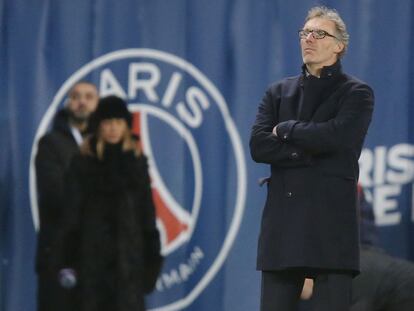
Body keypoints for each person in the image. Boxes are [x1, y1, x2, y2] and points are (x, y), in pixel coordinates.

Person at [249, 6, 374, 311]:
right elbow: (259, 147)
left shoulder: (357, 93)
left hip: (330, 226)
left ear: (339, 45)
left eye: (320, 33)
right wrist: (310, 150)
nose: (309, 39)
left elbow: (337, 137)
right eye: (305, 33)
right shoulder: (277, 93)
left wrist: (287, 129)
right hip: (284, 226)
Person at [56, 95, 163, 311]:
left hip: (129, 264)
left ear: (125, 125)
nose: (113, 128)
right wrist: (69, 261)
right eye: (107, 122)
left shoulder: (137, 163)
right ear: (99, 126)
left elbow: (146, 214)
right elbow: (71, 215)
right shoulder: (82, 164)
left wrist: (152, 261)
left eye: (118, 122)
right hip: (90, 263)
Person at [35, 81, 99, 311]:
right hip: (59, 257)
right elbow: (55, 194)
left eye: (89, 97)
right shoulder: (50, 144)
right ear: (68, 103)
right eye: (76, 96)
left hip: (98, 258)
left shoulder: (106, 146)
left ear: (97, 104)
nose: (82, 101)